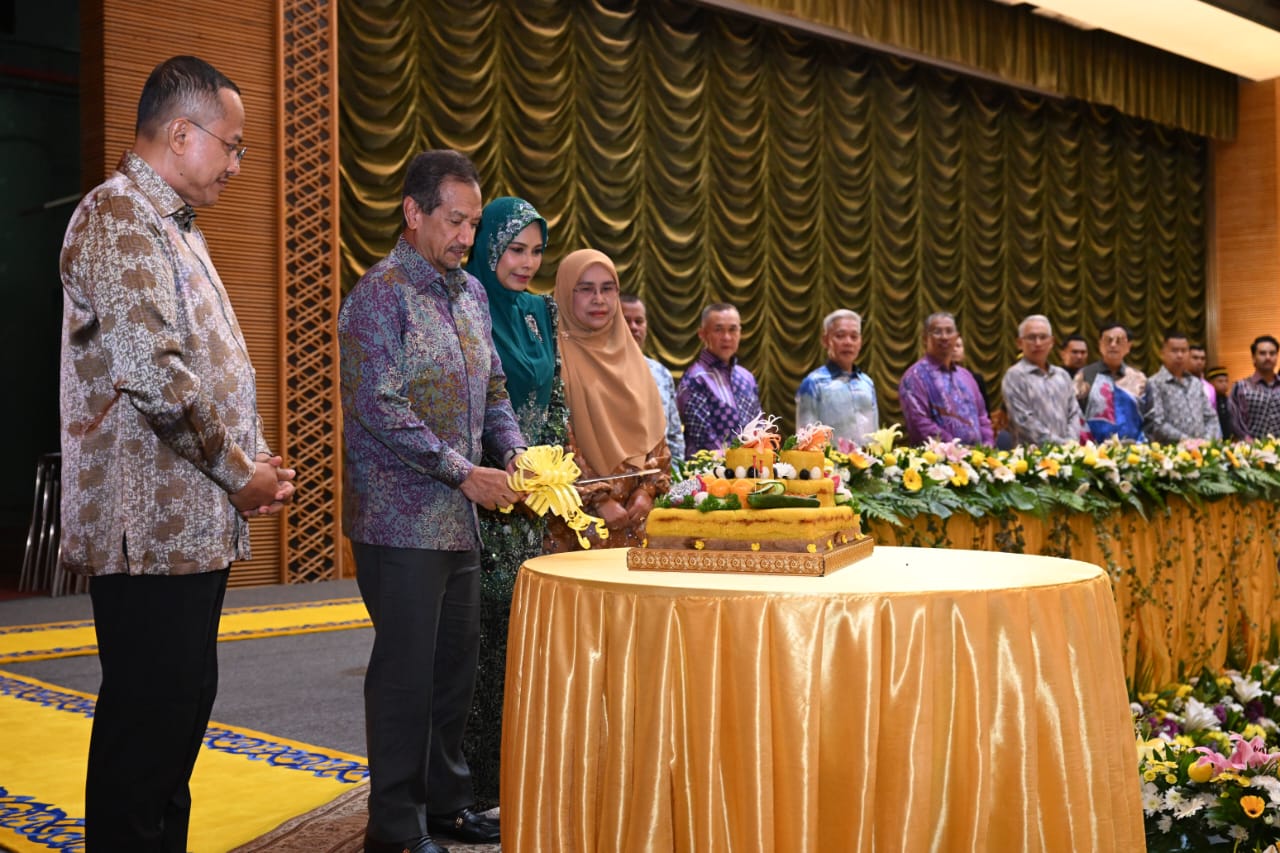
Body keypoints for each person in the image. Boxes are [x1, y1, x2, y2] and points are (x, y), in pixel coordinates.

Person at [58, 55, 296, 850]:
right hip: (147, 531)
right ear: (183, 133)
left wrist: (257, 462)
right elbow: (156, 376)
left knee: (174, 733)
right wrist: (241, 472)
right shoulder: (118, 215)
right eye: (232, 145)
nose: (237, 164)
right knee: (144, 743)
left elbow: (211, 363)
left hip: (190, 528)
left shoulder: (172, 225)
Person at [340, 150, 523, 853]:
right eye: (454, 221)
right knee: (405, 680)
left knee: (452, 674)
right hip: (399, 522)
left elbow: (494, 389)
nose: (466, 237)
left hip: (458, 522)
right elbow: (377, 405)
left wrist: (512, 451)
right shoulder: (378, 295)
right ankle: (394, 825)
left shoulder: (470, 293)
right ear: (413, 213)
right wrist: (462, 470)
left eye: (473, 224)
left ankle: (446, 804)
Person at [460, 196, 566, 805]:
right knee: (481, 639)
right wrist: (504, 472)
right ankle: (468, 786)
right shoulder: (467, 302)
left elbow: (556, 396)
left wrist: (551, 472)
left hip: (534, 499)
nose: (527, 263)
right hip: (483, 496)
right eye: (515, 250)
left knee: (524, 638)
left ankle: (511, 777)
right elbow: (469, 402)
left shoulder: (540, 310)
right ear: (488, 248)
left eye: (536, 251)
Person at [550, 249, 671, 551]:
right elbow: (553, 437)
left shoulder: (634, 360)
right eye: (585, 289)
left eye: (607, 289)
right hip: (577, 522)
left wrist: (647, 490)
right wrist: (599, 498)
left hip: (636, 519)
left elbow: (655, 434)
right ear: (565, 292)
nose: (599, 299)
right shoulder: (552, 358)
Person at [898, 312, 994, 446]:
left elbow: (982, 417)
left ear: (957, 337)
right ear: (925, 338)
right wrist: (958, 450)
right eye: (937, 332)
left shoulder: (966, 376)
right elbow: (920, 424)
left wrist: (987, 444)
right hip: (937, 457)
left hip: (977, 456)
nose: (944, 337)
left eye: (949, 331)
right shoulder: (915, 377)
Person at [678, 302, 762, 454]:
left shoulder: (747, 377)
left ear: (740, 332)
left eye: (732, 329)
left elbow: (758, 426)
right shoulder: (695, 379)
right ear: (702, 334)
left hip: (751, 464)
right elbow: (703, 437)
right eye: (718, 330)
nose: (726, 337)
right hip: (709, 467)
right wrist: (735, 460)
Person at [794, 309, 878, 445]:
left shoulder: (867, 383)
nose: (848, 342)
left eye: (854, 337)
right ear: (826, 340)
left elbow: (876, 436)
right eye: (840, 336)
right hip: (829, 459)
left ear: (860, 342)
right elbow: (804, 440)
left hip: (868, 458)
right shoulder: (813, 383)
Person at [620, 292, 685, 468]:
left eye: (639, 321)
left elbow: (674, 435)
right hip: (617, 476)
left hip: (660, 475)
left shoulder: (661, 373)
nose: (634, 327)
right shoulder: (600, 372)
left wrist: (676, 476)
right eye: (626, 321)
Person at [1000, 315, 1084, 446]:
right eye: (1031, 337)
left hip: (1068, 454)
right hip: (1031, 456)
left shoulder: (1062, 375)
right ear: (1019, 343)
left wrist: (1071, 442)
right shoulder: (1014, 376)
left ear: (1051, 342)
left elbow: (1074, 413)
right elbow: (1023, 421)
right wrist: (1062, 445)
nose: (1038, 343)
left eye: (1043, 337)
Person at [1142, 331, 1220, 443]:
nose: (1179, 355)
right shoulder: (1154, 383)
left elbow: (1211, 417)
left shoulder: (1196, 383)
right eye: (1174, 351)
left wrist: (1206, 441)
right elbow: (1157, 423)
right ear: (1162, 353)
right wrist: (1187, 441)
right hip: (1171, 450)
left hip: (1202, 448)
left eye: (1184, 351)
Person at [1074, 322, 1147, 442]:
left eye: (1119, 341)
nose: (1113, 345)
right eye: (1108, 340)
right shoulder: (1085, 375)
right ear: (1100, 344)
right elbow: (1074, 414)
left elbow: (1149, 417)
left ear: (1128, 346)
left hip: (1133, 448)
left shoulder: (1139, 378)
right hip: (1092, 449)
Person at [1229, 334, 1280, 440]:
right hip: (1251, 448)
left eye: (1272, 353)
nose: (1268, 357)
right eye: (1262, 353)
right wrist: (1250, 442)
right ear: (1253, 357)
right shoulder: (1241, 387)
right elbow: (1236, 421)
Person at [1206, 366, 1239, 440]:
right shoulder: (1208, 400)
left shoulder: (1230, 400)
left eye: (1226, 381)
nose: (1224, 384)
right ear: (1210, 383)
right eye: (1220, 381)